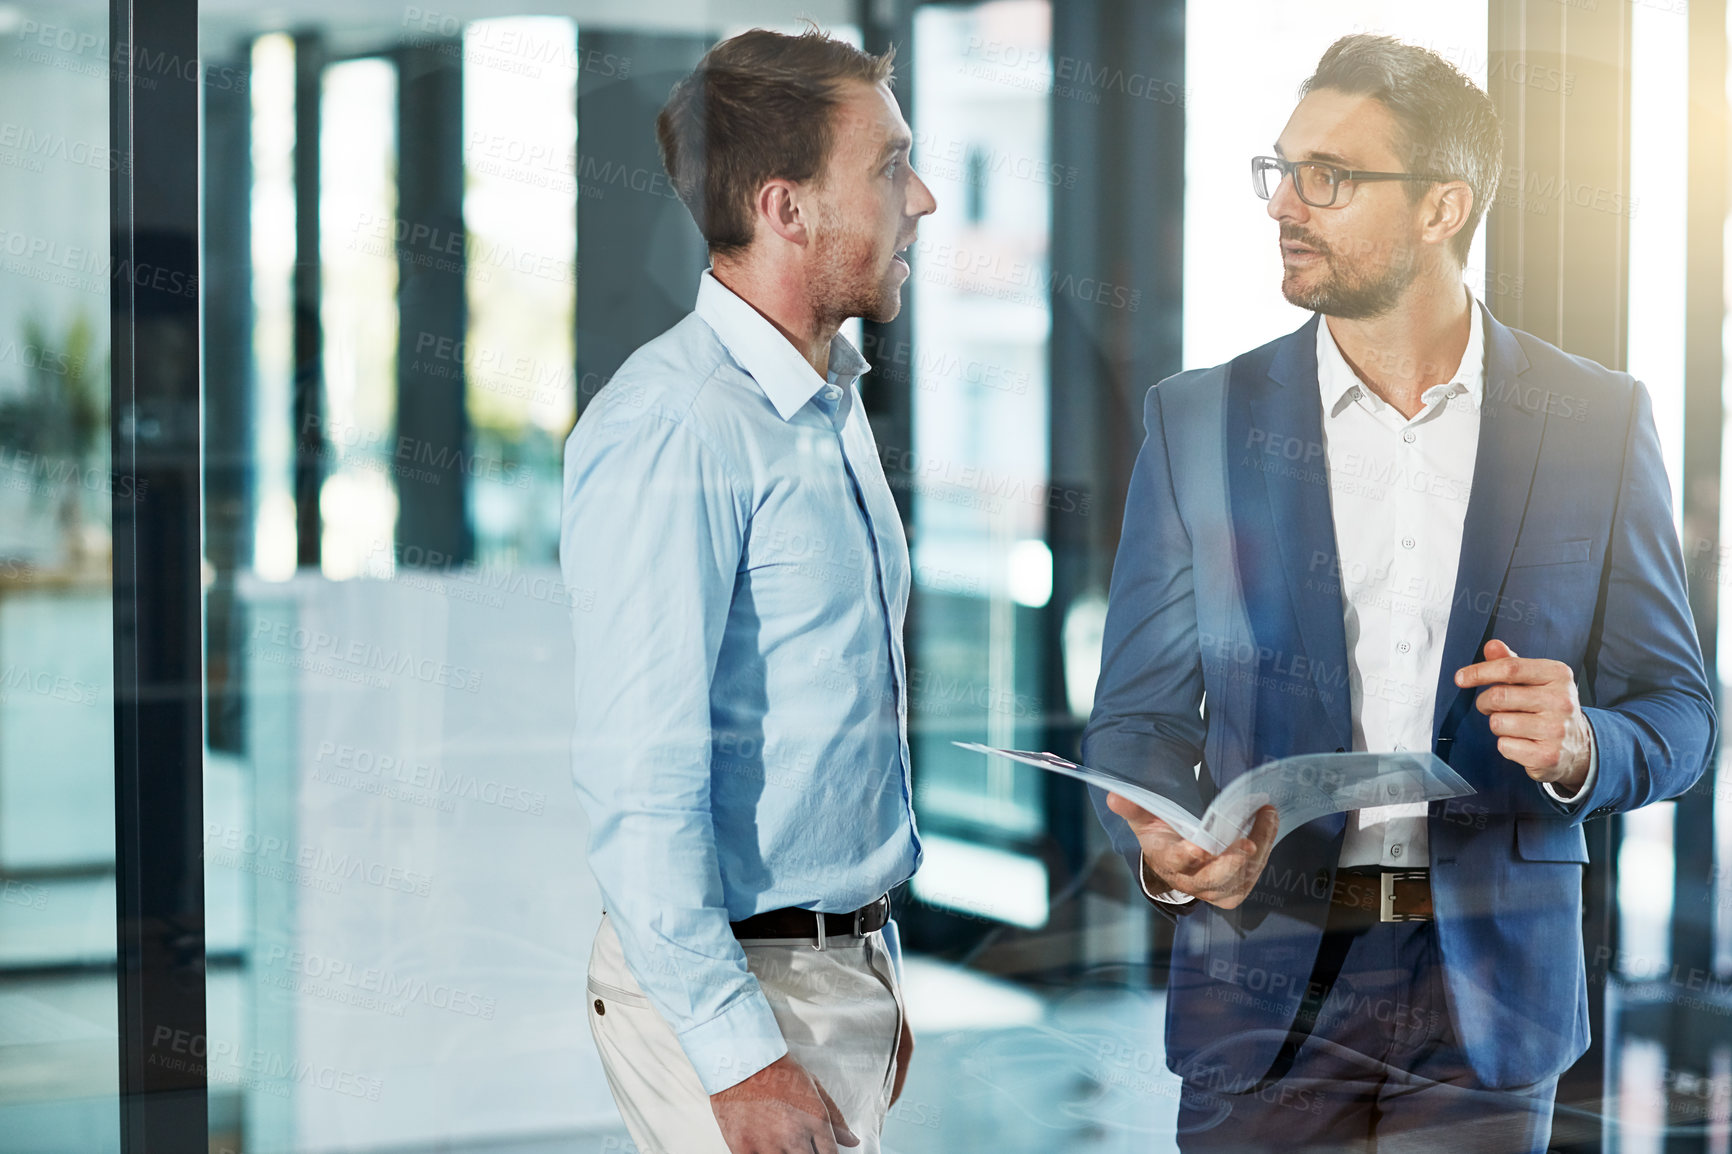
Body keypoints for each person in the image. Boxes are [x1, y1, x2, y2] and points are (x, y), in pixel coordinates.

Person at [1084, 33, 1714, 1152]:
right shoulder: (1198, 425)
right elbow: (1136, 715)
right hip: (1265, 980)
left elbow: (1680, 714)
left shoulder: (1596, 424)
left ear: (1441, 208)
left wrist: (1577, 746)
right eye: (1278, 171)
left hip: (1488, 994)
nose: (1285, 204)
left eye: (1328, 177)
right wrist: (1163, 847)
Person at [559, 26, 936, 1154]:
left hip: (821, 974)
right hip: (735, 991)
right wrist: (746, 1056)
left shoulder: (826, 399)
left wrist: (868, 964)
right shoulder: (678, 429)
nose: (919, 197)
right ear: (786, 208)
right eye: (885, 166)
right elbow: (640, 786)